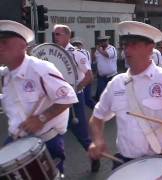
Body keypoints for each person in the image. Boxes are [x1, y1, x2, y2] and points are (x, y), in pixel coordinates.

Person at [88, 21, 162, 169]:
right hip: (126, 162)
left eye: (134, 44)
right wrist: (97, 140)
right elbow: (97, 118)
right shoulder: (116, 83)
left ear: (150, 48)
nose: (127, 50)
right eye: (125, 44)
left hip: (161, 161)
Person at [0, 20, 78, 176]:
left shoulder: (40, 69)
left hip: (45, 142)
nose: (0, 47)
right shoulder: (5, 75)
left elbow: (68, 98)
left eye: (4, 42)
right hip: (16, 139)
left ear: (22, 45)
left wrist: (41, 118)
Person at [53, 24, 100, 172]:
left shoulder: (77, 54)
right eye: (54, 34)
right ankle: (58, 170)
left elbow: (89, 76)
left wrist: (74, 90)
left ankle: (94, 157)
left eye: (58, 34)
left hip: (74, 101)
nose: (55, 37)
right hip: (57, 100)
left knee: (82, 135)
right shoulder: (53, 53)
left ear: (68, 36)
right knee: (53, 135)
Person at [71, 37, 96, 109]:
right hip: (85, 76)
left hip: (85, 78)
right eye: (75, 44)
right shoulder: (85, 52)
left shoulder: (80, 52)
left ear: (81, 45)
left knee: (86, 99)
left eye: (78, 44)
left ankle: (98, 111)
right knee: (85, 99)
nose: (76, 45)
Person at [94, 35, 118, 101]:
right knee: (101, 93)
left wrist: (99, 50)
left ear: (107, 41)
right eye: (101, 41)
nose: (103, 42)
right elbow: (97, 61)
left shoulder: (111, 48)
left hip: (111, 76)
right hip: (101, 76)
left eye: (104, 41)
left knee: (112, 93)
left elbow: (107, 55)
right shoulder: (98, 50)